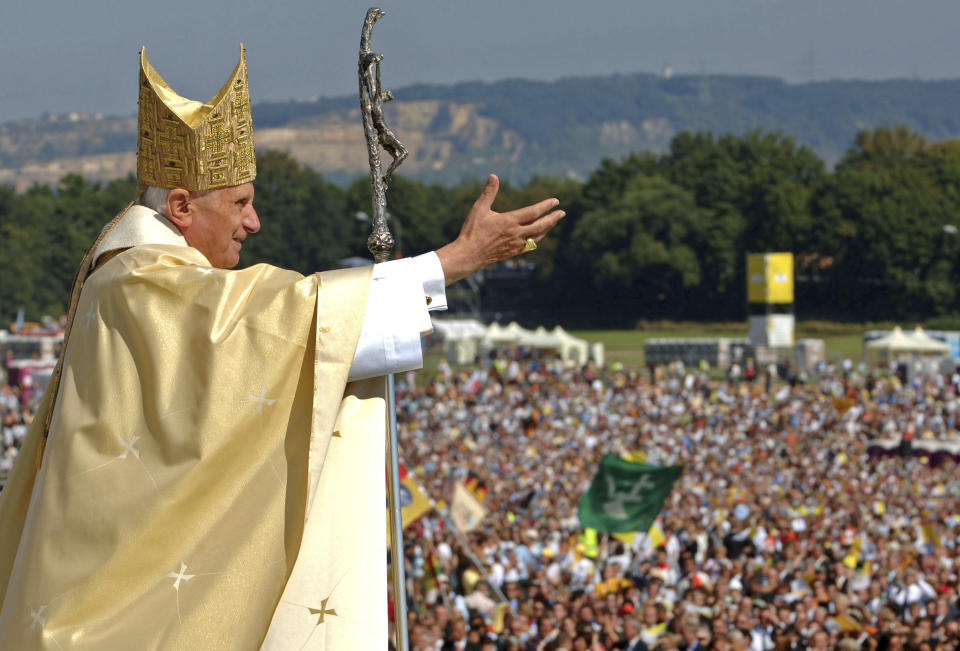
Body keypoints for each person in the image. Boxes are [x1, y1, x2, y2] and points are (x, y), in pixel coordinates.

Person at [0, 46, 563, 649]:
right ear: (183, 207)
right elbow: (289, 328)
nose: (254, 222)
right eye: (240, 202)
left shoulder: (134, 276)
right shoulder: (141, 283)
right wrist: (456, 260)